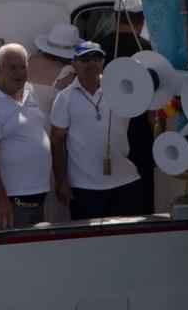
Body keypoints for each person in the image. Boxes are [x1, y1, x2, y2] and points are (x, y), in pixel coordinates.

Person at [48, 43, 145, 220]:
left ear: (103, 61)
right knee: (88, 242)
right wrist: (61, 181)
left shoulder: (120, 89)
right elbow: (56, 141)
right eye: (85, 59)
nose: (91, 63)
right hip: (85, 185)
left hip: (125, 179)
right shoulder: (64, 98)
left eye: (96, 58)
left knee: (130, 238)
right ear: (74, 63)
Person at [0, 43, 51, 229]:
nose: (19, 73)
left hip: (36, 194)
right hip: (8, 200)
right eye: (12, 68)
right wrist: (2, 200)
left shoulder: (30, 92)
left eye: (23, 67)